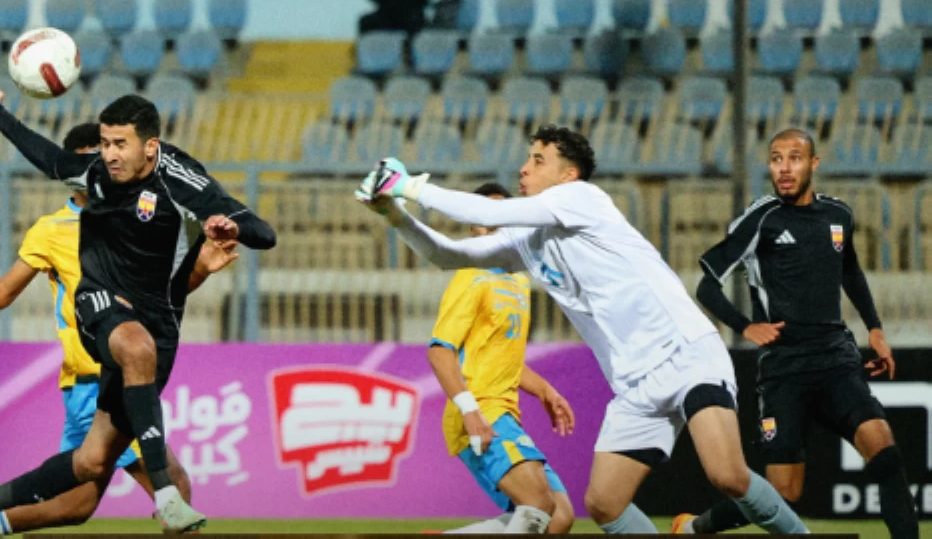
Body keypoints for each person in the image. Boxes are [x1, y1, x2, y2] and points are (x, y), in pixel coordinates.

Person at [355, 125, 809, 536]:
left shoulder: (582, 198)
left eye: (538, 160)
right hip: (634, 384)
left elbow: (478, 208)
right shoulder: (525, 240)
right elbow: (449, 255)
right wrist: (394, 214)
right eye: (527, 158)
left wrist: (409, 186)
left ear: (568, 174)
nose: (524, 168)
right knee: (604, 504)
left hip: (684, 352)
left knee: (727, 475)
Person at [0, 88, 277, 538]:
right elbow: (48, 157)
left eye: (119, 144)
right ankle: (165, 495)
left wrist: (233, 226)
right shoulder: (95, 174)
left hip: (157, 322)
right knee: (136, 350)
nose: (108, 155)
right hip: (98, 303)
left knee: (90, 464)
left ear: (151, 146)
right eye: (105, 143)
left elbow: (264, 233)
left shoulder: (183, 182)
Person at [672, 128, 918, 539]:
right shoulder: (761, 218)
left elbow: (850, 271)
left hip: (836, 360)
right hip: (784, 368)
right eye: (776, 159)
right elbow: (707, 285)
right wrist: (745, 326)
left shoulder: (838, 215)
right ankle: (696, 527)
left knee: (886, 452)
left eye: (794, 158)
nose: (784, 168)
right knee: (784, 493)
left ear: (813, 164)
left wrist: (875, 328)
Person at [428, 182, 575, 535]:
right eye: (484, 213)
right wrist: (470, 412)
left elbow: (503, 357)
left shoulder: (518, 281)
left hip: (504, 411)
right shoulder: (471, 274)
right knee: (538, 504)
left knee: (559, 518)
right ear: (472, 225)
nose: (493, 220)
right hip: (480, 410)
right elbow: (439, 351)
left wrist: (545, 391)